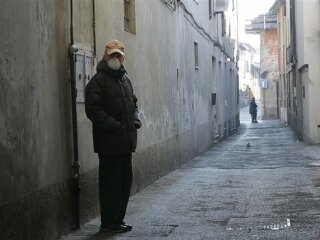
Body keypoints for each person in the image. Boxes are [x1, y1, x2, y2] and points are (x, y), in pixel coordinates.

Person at [85, 39, 141, 233]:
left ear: (123, 57)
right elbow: (93, 110)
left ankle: (118, 220)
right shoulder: (98, 81)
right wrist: (115, 126)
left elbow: (133, 103)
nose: (116, 58)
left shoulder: (125, 80)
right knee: (110, 185)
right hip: (109, 144)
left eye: (119, 55)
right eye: (112, 55)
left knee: (124, 183)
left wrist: (135, 120)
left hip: (125, 142)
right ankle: (108, 223)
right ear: (105, 56)